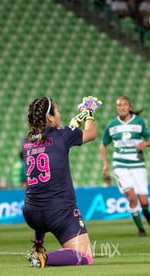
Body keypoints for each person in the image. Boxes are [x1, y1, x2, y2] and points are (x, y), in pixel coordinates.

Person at [23, 96, 101, 268]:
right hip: (58, 212)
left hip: (32, 214)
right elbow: (91, 134)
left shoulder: (26, 142)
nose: (59, 114)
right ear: (50, 117)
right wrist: (89, 113)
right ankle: (44, 259)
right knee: (84, 256)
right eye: (57, 111)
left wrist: (72, 125)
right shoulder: (63, 136)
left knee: (41, 193)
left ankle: (38, 244)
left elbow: (53, 140)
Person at [100, 96, 150, 237]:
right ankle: (141, 229)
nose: (122, 107)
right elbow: (103, 144)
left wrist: (144, 144)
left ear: (130, 107)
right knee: (132, 198)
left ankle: (145, 211)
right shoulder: (112, 125)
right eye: (119, 105)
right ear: (116, 108)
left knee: (144, 201)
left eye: (125, 105)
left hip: (138, 165)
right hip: (120, 165)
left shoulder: (139, 122)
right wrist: (105, 165)